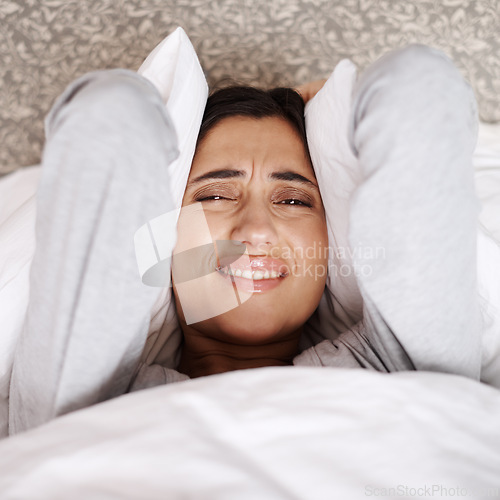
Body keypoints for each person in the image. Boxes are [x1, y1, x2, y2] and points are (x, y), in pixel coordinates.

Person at [8, 43, 482, 435]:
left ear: (332, 243)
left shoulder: (403, 370)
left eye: (294, 201)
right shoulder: (82, 401)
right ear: (163, 236)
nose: (255, 230)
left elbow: (420, 91)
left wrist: (327, 114)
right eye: (214, 195)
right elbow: (109, 118)